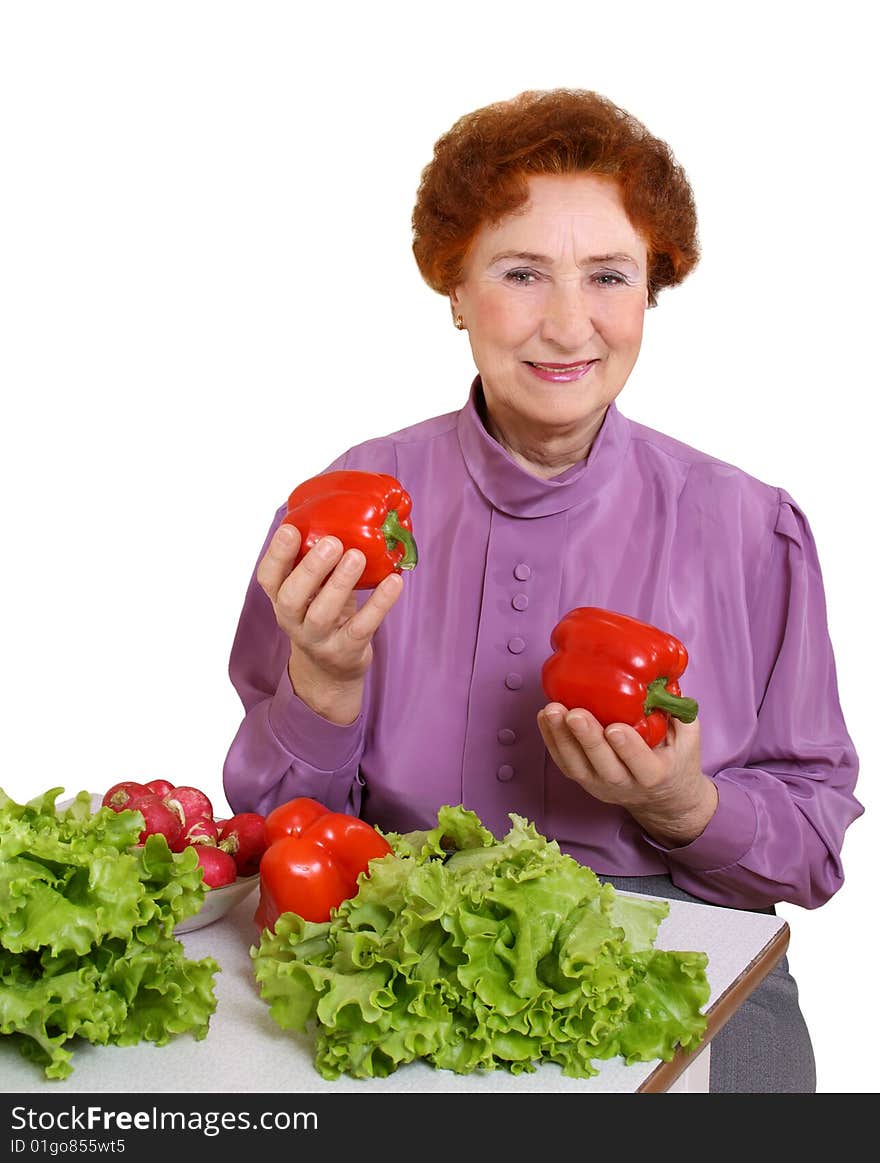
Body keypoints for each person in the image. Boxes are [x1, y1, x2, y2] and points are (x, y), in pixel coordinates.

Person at [222, 89, 862, 1092]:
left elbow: (813, 848)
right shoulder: (345, 509)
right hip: (404, 935)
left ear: (652, 289)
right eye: (521, 273)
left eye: (608, 275)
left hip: (676, 941)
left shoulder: (750, 527)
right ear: (454, 287)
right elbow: (277, 831)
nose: (569, 324)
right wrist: (324, 685)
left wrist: (683, 801)